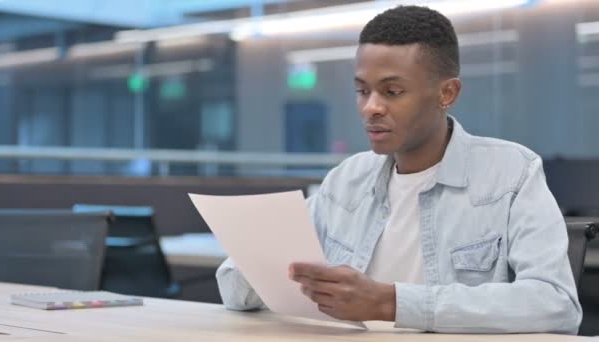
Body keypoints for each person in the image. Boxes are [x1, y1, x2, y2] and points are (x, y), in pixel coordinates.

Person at [216, 5, 581, 334]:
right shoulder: (346, 181)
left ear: (447, 93)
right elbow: (233, 289)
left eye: (391, 92)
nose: (370, 108)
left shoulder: (512, 174)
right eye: (362, 91)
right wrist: (263, 261)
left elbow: (556, 303)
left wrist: (390, 302)